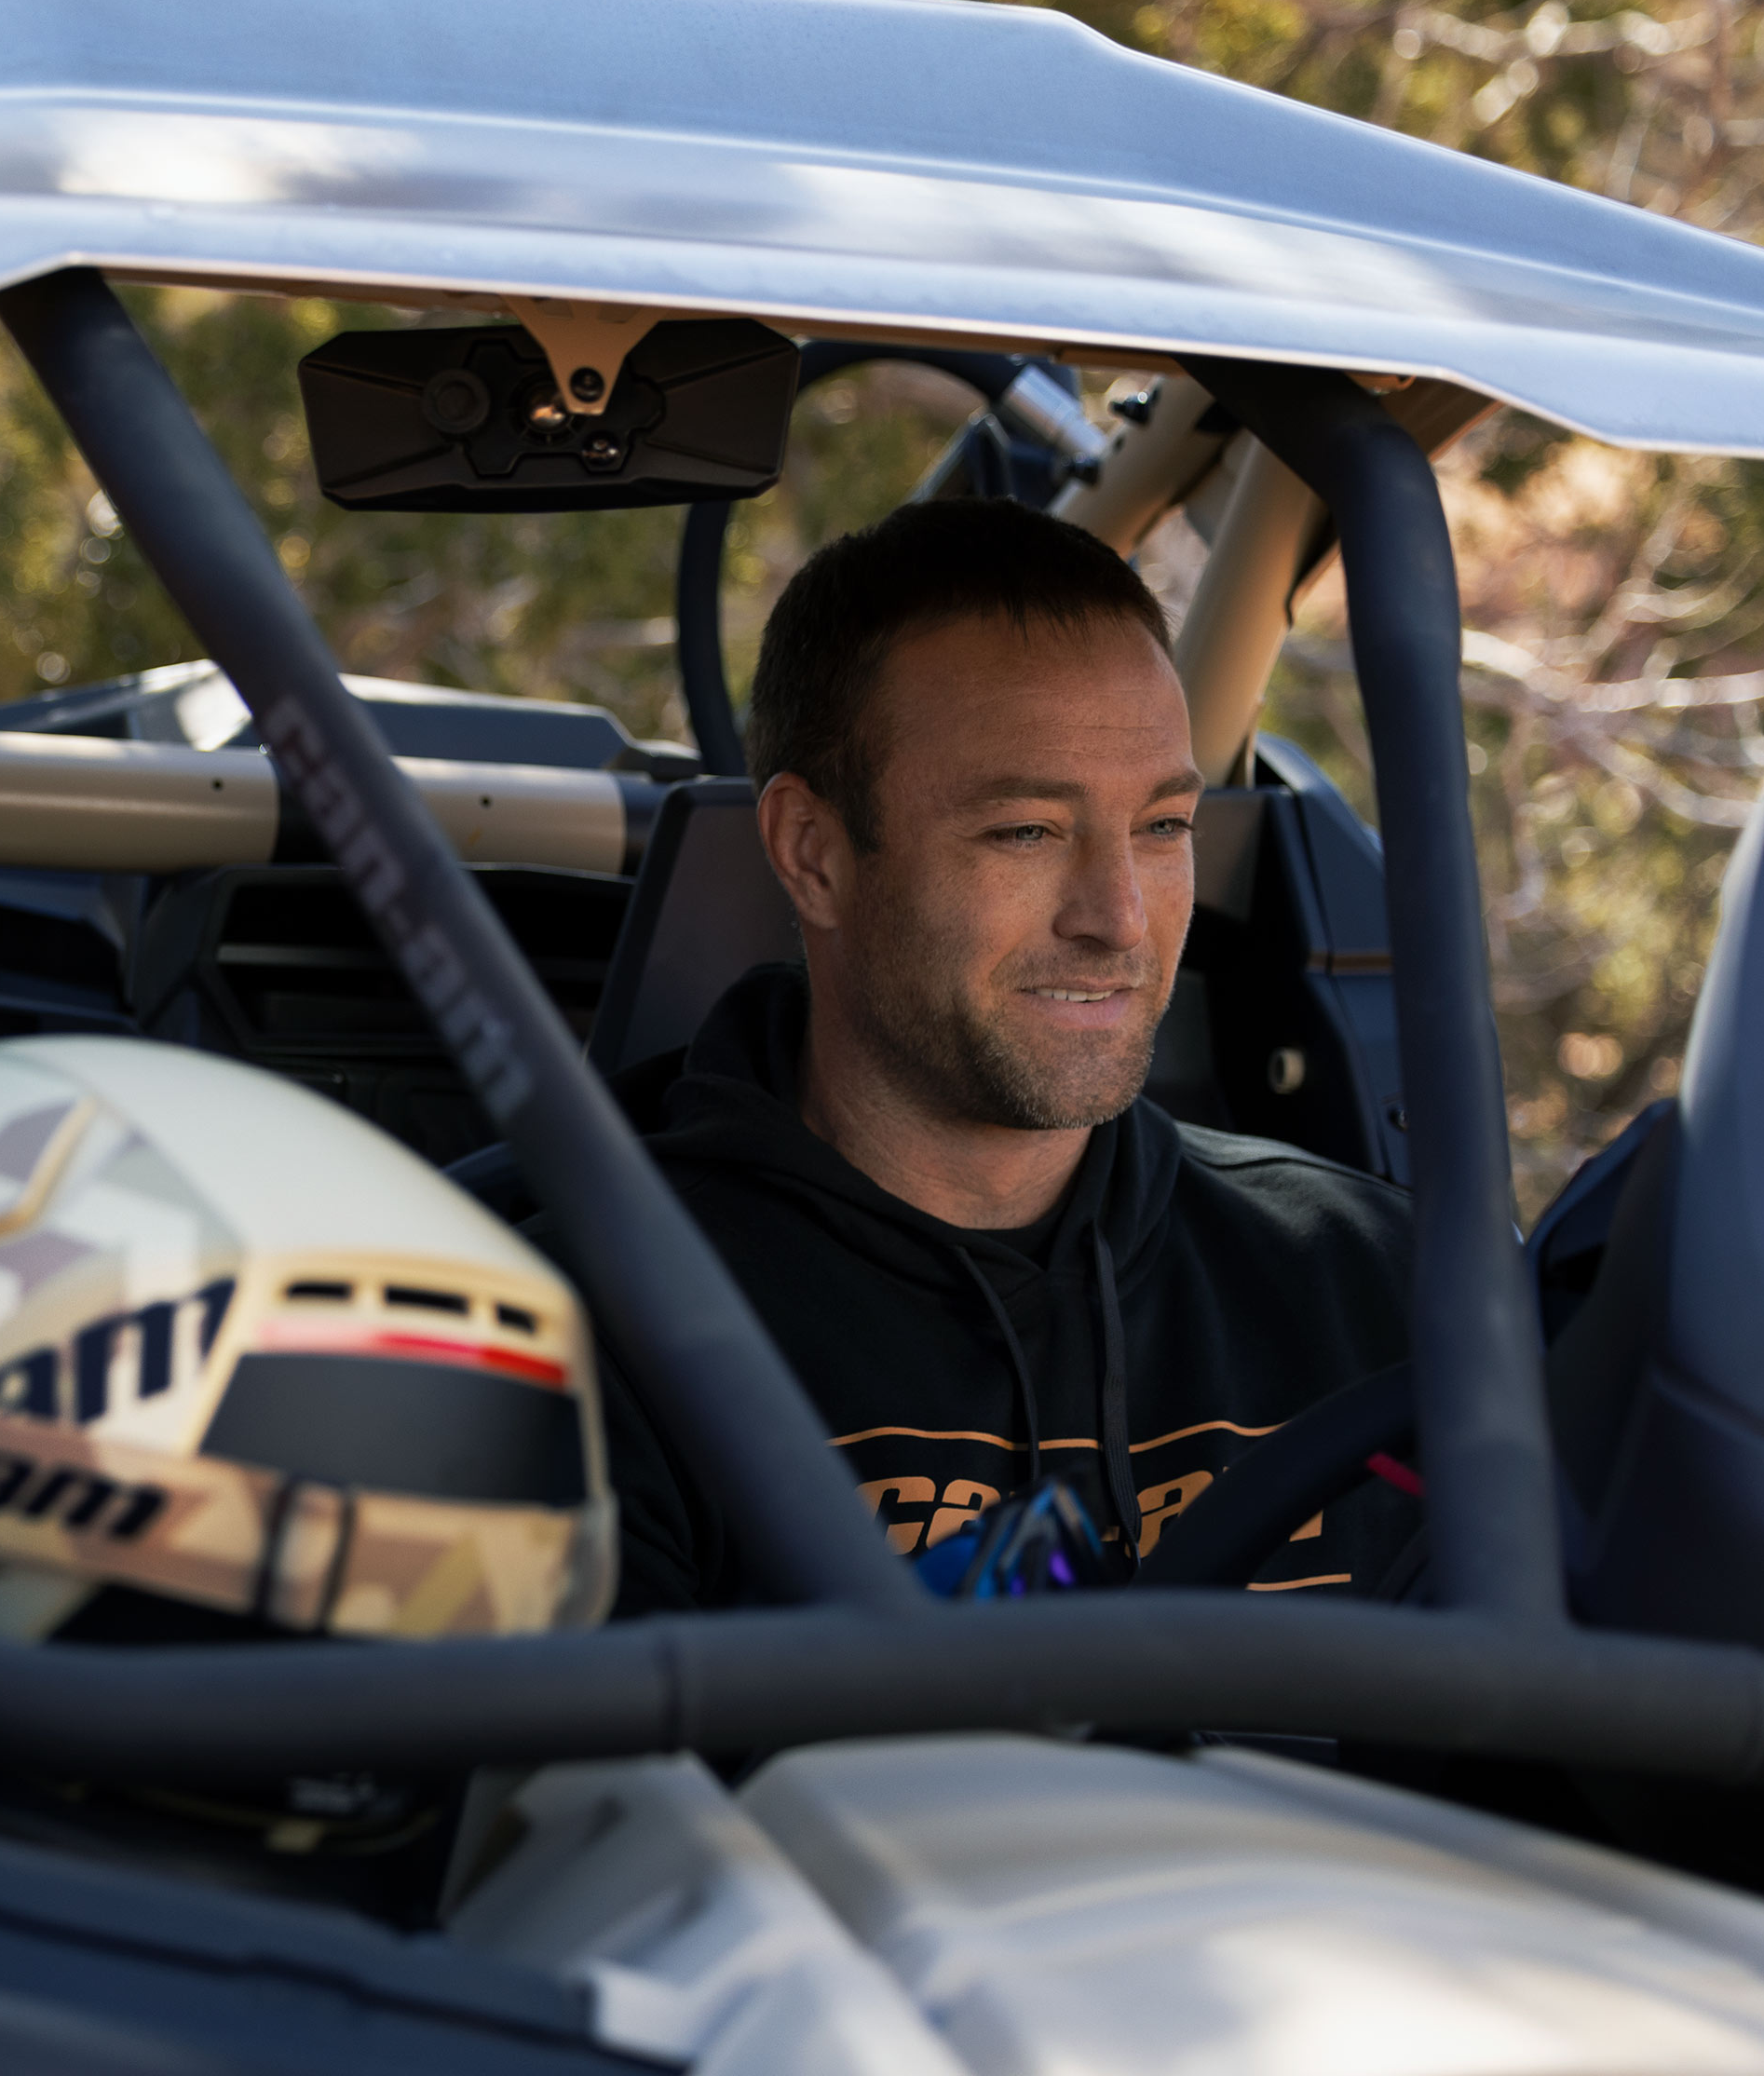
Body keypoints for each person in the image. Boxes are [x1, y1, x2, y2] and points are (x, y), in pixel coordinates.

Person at [595, 498, 1415, 1615]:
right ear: (813, 854)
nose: (1118, 919)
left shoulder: (1367, 1277)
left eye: (1163, 828)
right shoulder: (595, 1330)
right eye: (1026, 831)